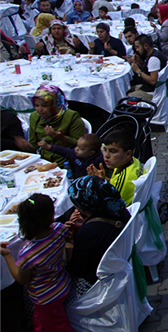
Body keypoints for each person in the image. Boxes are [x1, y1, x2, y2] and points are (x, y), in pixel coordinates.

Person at [0, 193, 74, 332]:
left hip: (46, 297)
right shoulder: (59, 229)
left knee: (57, 325)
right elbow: (68, 238)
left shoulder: (28, 254)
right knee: (42, 319)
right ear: (52, 215)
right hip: (61, 281)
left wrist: (7, 255)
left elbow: (22, 279)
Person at [65, 176, 130, 286]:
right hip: (122, 267)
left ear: (83, 205)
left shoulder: (88, 232)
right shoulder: (119, 210)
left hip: (99, 284)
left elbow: (77, 269)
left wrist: (69, 241)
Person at [29, 85, 86, 165]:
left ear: (56, 103)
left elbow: (83, 147)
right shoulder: (35, 117)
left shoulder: (71, 116)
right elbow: (34, 144)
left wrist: (62, 138)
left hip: (66, 161)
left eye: (44, 105)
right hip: (43, 161)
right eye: (36, 106)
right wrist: (25, 145)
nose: (40, 109)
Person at [85, 130, 143, 206]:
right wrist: (104, 180)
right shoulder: (132, 161)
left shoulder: (123, 179)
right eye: (105, 150)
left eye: (113, 151)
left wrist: (97, 184)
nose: (106, 155)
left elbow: (111, 205)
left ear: (128, 154)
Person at [38, 133, 104, 180]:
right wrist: (48, 147)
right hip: (76, 177)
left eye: (81, 149)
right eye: (77, 146)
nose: (77, 149)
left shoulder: (98, 160)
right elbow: (63, 151)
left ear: (91, 153)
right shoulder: (75, 154)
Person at [127, 34, 168, 101]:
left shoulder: (153, 59)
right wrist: (140, 63)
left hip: (151, 93)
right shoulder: (155, 51)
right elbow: (149, 70)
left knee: (124, 97)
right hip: (151, 88)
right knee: (127, 88)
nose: (136, 50)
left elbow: (153, 81)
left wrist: (137, 71)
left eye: (138, 47)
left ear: (146, 46)